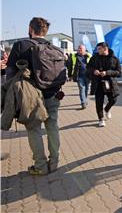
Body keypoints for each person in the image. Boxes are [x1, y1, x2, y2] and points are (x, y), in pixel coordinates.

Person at [5, 17, 63, 175]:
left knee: (34, 129)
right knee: (52, 126)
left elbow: (10, 73)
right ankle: (55, 162)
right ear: (45, 31)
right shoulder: (55, 48)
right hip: (53, 94)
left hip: (30, 96)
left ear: (31, 29)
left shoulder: (20, 45)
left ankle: (40, 166)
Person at [87, 42, 121, 127]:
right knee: (99, 102)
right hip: (98, 83)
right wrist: (94, 71)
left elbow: (119, 72)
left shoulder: (115, 59)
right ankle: (101, 119)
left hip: (110, 83)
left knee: (114, 99)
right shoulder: (94, 58)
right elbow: (88, 67)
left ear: (105, 49)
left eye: (99, 49)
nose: (97, 51)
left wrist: (107, 73)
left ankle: (107, 109)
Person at [70, 44, 92, 109]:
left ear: (84, 50)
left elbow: (93, 65)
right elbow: (70, 65)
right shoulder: (74, 56)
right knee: (82, 88)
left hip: (88, 75)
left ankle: (85, 99)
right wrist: (69, 75)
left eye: (81, 49)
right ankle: (83, 102)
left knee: (87, 89)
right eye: (79, 48)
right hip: (79, 76)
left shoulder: (89, 56)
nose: (79, 50)